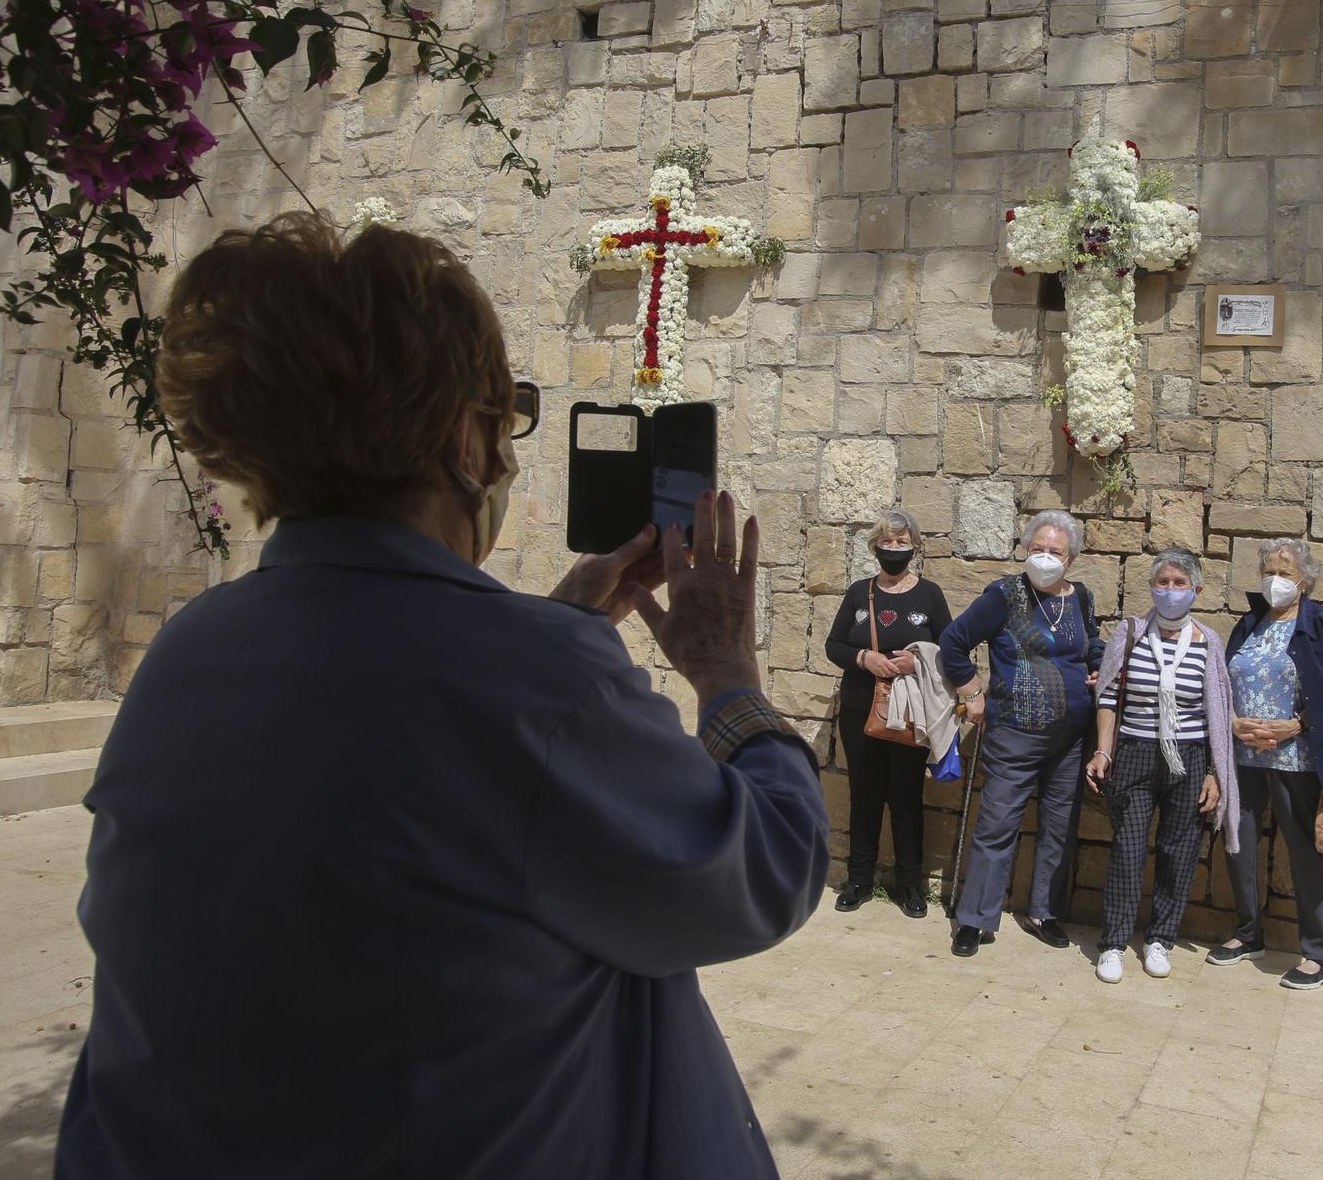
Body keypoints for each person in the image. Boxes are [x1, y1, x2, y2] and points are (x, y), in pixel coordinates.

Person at [56, 213, 827, 1178]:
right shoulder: (528, 683)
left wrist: (559, 630)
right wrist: (725, 676)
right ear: (465, 440)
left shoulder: (187, 655)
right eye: (505, 420)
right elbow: (769, 871)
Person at [1208, 537, 1323, 990]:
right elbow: (1224, 683)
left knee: (1306, 852)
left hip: (1298, 758)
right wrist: (1231, 721)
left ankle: (1321, 955)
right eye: (1269, 570)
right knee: (1238, 843)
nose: (1275, 579)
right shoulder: (1249, 624)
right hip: (1242, 755)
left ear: (1304, 580)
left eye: (1285, 572)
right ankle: (1248, 933)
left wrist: (1294, 726)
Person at [938, 509, 1103, 958]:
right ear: (1025, 550)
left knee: (1059, 825)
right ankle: (975, 919)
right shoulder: (1003, 595)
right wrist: (973, 693)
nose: (1046, 557)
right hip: (1014, 732)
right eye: (1038, 549)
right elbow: (954, 642)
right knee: (997, 824)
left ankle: (1046, 912)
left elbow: (1092, 645)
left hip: (1070, 737)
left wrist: (1098, 669)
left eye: (1055, 552)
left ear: (1071, 559)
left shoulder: (1082, 598)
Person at [1085, 548, 1239, 983]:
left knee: (1179, 851)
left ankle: (1160, 939)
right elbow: (1110, 694)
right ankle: (1114, 942)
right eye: (1163, 583)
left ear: (1197, 590)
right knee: (1129, 850)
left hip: (1189, 758)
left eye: (1179, 583)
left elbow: (1216, 712)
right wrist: (1103, 751)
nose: (1170, 591)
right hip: (1135, 752)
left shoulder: (1208, 642)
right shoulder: (1130, 632)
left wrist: (1213, 772)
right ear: (1151, 587)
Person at [824, 510, 952, 918]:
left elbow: (951, 649)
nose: (893, 549)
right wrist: (864, 657)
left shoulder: (930, 595)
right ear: (875, 546)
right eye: (887, 541)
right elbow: (834, 646)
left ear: (914, 548)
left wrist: (919, 662)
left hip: (910, 713)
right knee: (864, 794)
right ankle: (859, 880)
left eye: (901, 542)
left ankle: (910, 884)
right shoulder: (859, 593)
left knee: (906, 796)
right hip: (862, 711)